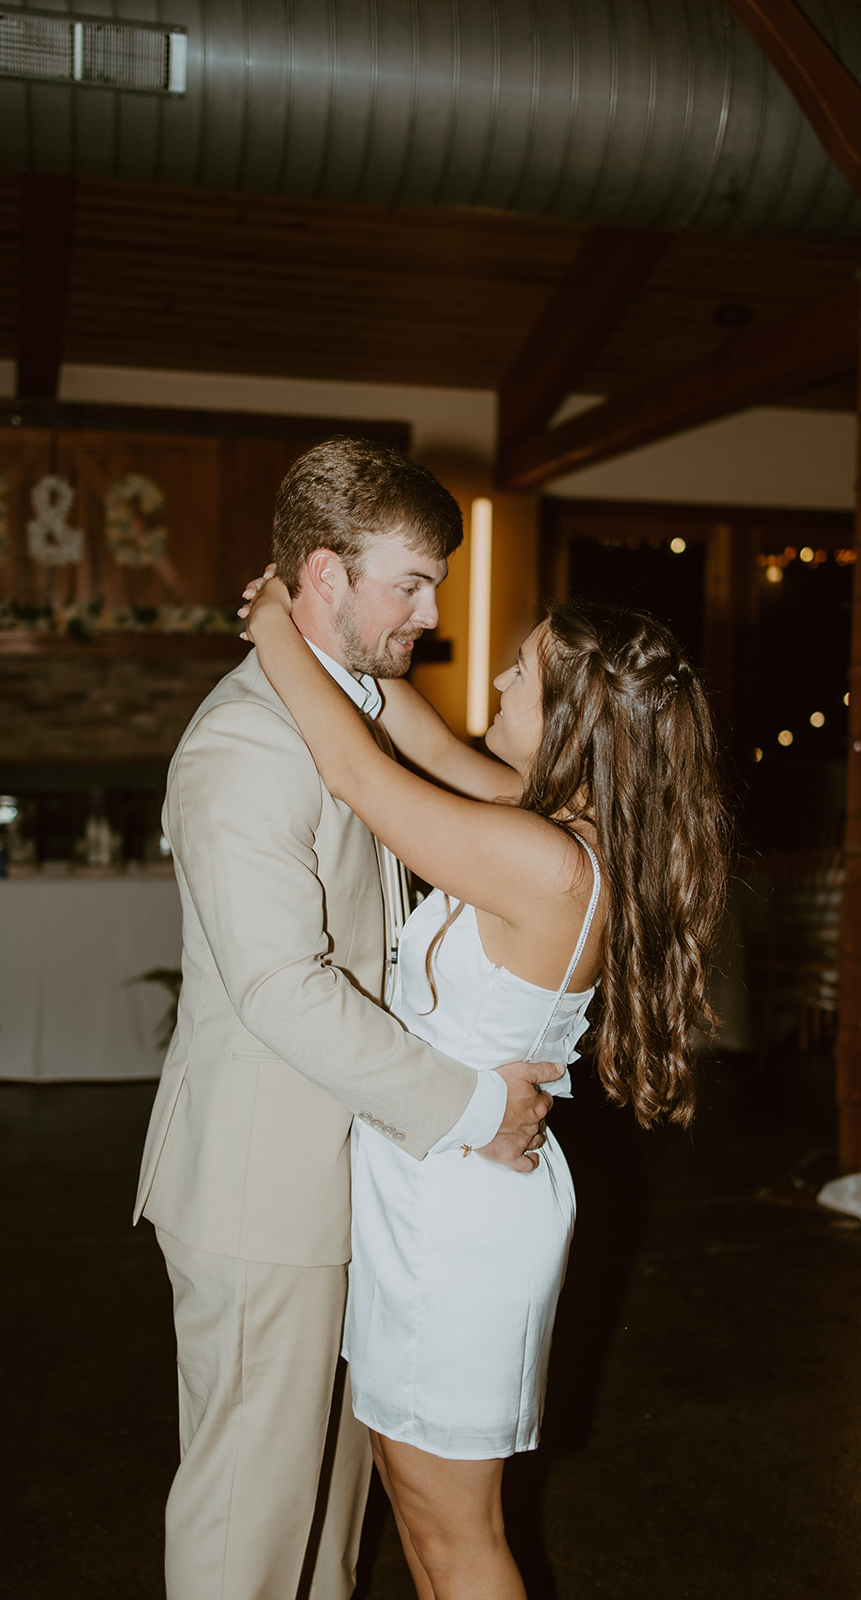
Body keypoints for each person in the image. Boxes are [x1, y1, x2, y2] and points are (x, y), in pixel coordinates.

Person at [134, 437, 563, 1600]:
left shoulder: (351, 704)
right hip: (261, 1188)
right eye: (410, 583)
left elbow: (452, 773)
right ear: (324, 575)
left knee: (325, 1520)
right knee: (247, 1524)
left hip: (347, 1178)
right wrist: (472, 1106)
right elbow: (283, 986)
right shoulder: (244, 740)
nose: (431, 613)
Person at [243, 577, 730, 1599]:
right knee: (420, 1516)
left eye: (521, 671)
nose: (499, 680)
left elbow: (353, 769)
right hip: (434, 1186)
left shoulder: (544, 862)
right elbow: (411, 732)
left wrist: (271, 622)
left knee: (454, 1536)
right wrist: (337, 628)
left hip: (458, 1227)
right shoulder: (545, 825)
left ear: (572, 720)